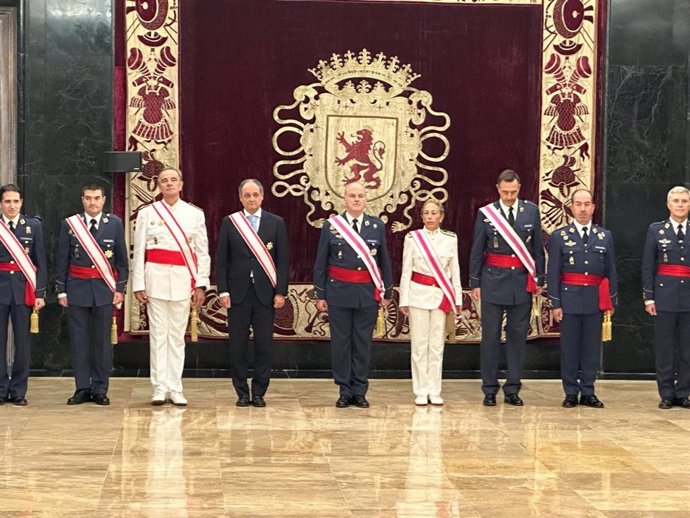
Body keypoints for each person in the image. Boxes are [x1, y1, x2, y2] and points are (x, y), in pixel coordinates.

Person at [132, 167, 210, 406]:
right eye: (164, 181)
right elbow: (139, 251)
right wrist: (138, 284)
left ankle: (175, 387)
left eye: (173, 180)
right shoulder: (147, 213)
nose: (169, 184)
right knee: (157, 336)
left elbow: (202, 252)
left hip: (182, 280)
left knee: (176, 337)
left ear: (181, 184)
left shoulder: (194, 214)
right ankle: (159, 387)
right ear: (159, 185)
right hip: (154, 279)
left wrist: (201, 284)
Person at [313, 181, 393, 408]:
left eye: (360, 196)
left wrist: (387, 290)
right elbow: (321, 262)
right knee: (341, 343)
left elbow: (384, 261)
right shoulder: (331, 226)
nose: (356, 199)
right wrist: (321, 294)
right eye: (352, 196)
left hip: (367, 294)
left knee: (362, 343)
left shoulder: (376, 226)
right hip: (338, 293)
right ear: (344, 199)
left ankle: (359, 390)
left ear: (366, 199)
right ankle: (344, 390)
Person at [469, 169, 545, 407]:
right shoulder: (487, 214)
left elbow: (537, 249)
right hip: (492, 281)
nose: (509, 196)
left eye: (513, 192)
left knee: (517, 338)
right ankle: (489, 389)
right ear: (498, 189)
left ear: (519, 189)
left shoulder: (530, 211)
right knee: (490, 338)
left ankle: (513, 388)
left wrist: (539, 279)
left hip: (521, 283)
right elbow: (477, 249)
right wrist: (475, 282)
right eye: (505, 192)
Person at [216, 179, 289, 407]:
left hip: (265, 294)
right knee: (237, 346)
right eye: (247, 195)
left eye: (255, 195)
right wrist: (222, 291)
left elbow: (283, 261)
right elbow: (222, 261)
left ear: (262, 196)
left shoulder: (276, 223)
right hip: (237, 294)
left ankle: (259, 392)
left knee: (264, 346)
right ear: (240, 198)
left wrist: (281, 292)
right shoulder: (230, 222)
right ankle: (241, 392)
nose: (251, 199)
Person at [56, 182, 129, 406]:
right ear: (82, 200)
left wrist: (120, 288)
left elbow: (122, 261)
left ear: (104, 200)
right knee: (79, 342)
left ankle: (99, 388)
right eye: (88, 198)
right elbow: (62, 259)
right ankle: (82, 388)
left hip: (104, 291)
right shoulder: (71, 225)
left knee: (101, 343)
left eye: (96, 198)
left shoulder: (114, 224)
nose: (92, 202)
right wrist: (61, 290)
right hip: (77, 289)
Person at [547, 189, 617, 408]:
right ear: (572, 207)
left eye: (587, 204)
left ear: (593, 208)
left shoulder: (604, 236)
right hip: (569, 299)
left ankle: (588, 390)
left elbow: (611, 271)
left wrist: (611, 301)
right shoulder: (560, 236)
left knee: (591, 349)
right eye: (578, 204)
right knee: (569, 348)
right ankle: (570, 391)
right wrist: (555, 303)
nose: (583, 209)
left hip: (595, 300)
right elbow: (553, 272)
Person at [399, 200, 461, 406]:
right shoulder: (413, 238)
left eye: (434, 213)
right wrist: (404, 299)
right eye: (426, 213)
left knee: (436, 346)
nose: (430, 216)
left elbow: (456, 272)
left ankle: (435, 390)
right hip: (417, 295)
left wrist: (457, 299)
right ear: (422, 217)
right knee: (419, 345)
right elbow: (406, 270)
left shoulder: (450, 239)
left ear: (441, 216)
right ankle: (420, 390)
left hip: (440, 296)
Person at [642, 185, 690, 409]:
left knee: (687, 348)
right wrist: (649, 297)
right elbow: (648, 266)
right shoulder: (656, 230)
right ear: (668, 204)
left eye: (684, 201)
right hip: (664, 297)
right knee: (665, 348)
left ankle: (684, 392)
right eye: (676, 201)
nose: (680, 205)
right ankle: (667, 393)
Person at [0, 184, 47, 406]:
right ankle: (1, 389)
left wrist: (40, 292)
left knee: (23, 343)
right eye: (7, 201)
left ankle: (18, 390)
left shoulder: (33, 226)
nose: (12, 206)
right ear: (1, 203)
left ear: (21, 202)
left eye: (15, 201)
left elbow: (41, 262)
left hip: (23, 291)